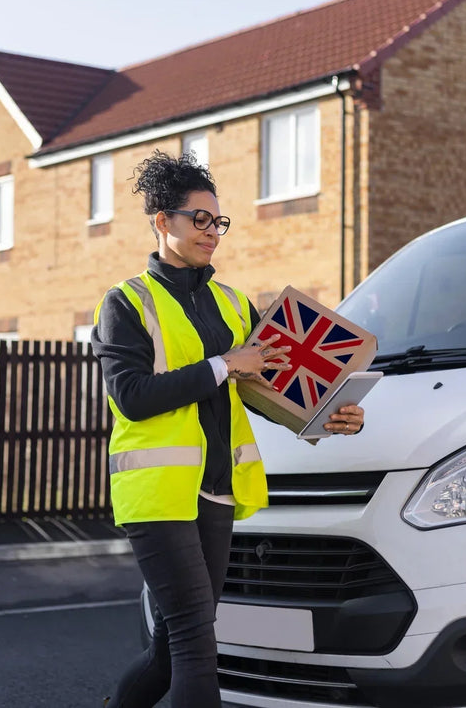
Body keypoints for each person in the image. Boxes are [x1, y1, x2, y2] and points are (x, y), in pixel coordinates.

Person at [91, 150, 365, 708]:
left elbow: (260, 392)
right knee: (196, 638)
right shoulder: (126, 302)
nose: (212, 232)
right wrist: (224, 364)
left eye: (218, 221)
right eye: (199, 220)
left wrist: (325, 418)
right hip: (159, 495)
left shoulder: (233, 304)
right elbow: (133, 397)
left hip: (217, 491)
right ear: (162, 221)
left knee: (173, 646)